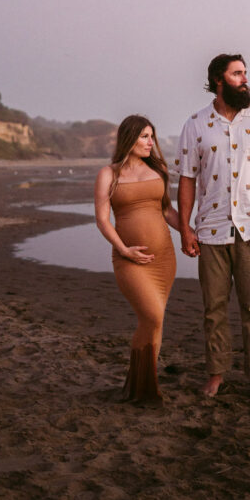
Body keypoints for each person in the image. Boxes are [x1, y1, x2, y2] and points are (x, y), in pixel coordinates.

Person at [176, 53, 250, 402]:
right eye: (237, 73)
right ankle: (216, 375)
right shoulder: (195, 124)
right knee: (214, 309)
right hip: (210, 230)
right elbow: (186, 180)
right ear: (219, 79)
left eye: (245, 73)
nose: (245, 79)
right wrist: (185, 229)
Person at [95, 114, 182, 405]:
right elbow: (102, 220)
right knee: (152, 316)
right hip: (128, 258)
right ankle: (139, 384)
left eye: (151, 136)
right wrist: (124, 249)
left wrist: (191, 234)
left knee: (156, 322)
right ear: (129, 138)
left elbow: (167, 211)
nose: (150, 142)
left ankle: (146, 385)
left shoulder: (157, 170)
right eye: (144, 136)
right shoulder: (109, 173)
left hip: (163, 258)